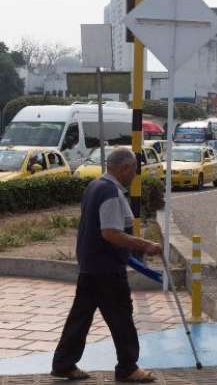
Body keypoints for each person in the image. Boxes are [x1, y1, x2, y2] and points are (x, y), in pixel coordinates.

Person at [51, 148, 162, 382]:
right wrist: (145, 245)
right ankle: (128, 367)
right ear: (124, 168)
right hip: (107, 268)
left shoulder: (95, 185)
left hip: (91, 265)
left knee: (80, 318)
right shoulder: (110, 192)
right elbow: (110, 233)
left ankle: (63, 364)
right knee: (122, 317)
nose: (134, 174)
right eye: (133, 169)